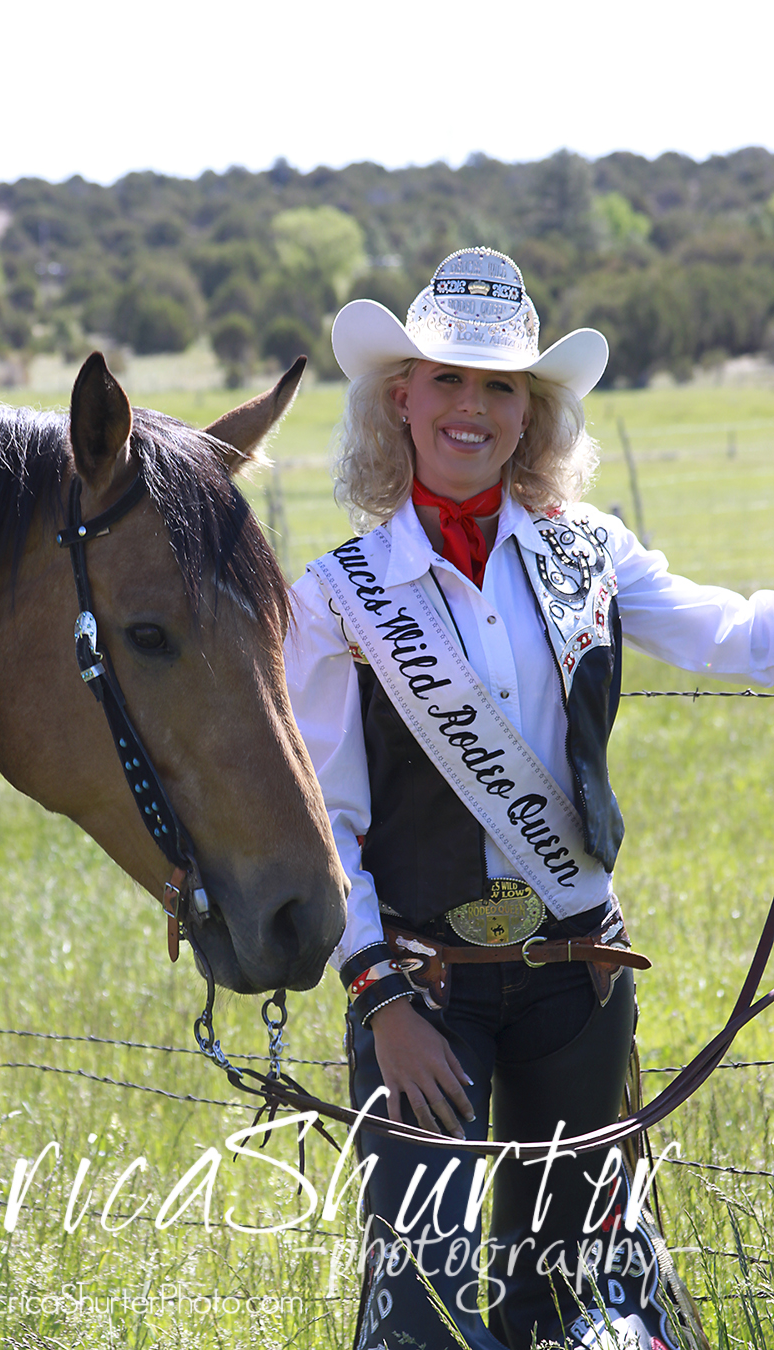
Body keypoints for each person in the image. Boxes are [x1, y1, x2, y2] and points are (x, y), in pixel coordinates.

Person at [284, 248, 774, 1350]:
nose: (472, 406)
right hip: (425, 994)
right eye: (446, 379)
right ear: (400, 399)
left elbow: (734, 634)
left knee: (564, 1299)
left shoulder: (589, 553)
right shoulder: (337, 599)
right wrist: (381, 1003)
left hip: (577, 983)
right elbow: (329, 824)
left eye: (500, 385)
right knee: (424, 1309)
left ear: (530, 411)